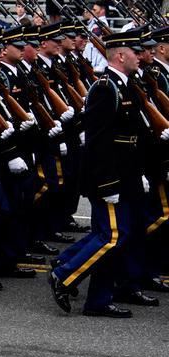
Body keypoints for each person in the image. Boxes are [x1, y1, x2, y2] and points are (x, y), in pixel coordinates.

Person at [49, 29, 153, 317]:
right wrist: (108, 183)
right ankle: (65, 274)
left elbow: (132, 134)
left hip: (127, 175)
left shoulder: (127, 85)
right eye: (135, 50)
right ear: (121, 55)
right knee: (112, 236)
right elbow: (98, 140)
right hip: (109, 178)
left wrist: (140, 173)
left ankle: (98, 299)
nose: (141, 55)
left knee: (119, 236)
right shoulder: (105, 88)